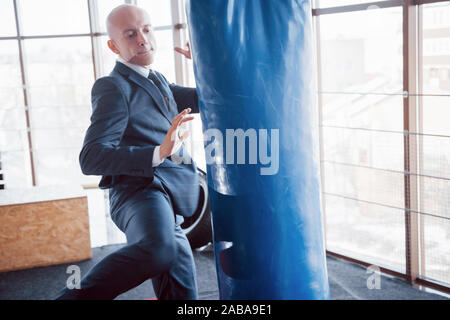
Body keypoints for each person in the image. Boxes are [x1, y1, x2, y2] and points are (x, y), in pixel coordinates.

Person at [55, 4, 200, 300]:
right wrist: (158, 153)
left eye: (146, 30)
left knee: (185, 297)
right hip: (136, 192)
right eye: (130, 34)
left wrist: (205, 66)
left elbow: (204, 99)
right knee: (160, 249)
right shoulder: (112, 86)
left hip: (168, 196)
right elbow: (91, 156)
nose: (142, 39)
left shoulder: (157, 79)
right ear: (113, 45)